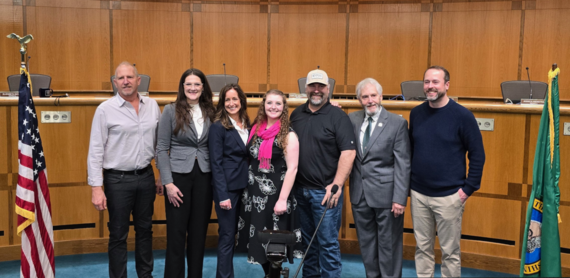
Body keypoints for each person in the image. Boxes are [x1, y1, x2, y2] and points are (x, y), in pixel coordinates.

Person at [87, 61, 162, 278]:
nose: (126, 81)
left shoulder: (153, 106)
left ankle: (145, 275)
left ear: (139, 80)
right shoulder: (105, 110)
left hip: (146, 177)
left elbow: (158, 146)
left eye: (130, 77)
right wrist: (96, 187)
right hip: (117, 181)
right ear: (115, 82)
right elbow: (95, 151)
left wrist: (160, 176)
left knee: (145, 232)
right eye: (121, 78)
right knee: (118, 235)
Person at [409, 66, 485, 277]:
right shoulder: (416, 113)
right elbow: (411, 150)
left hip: (450, 196)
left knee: (450, 252)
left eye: (435, 82)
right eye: (426, 82)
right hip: (419, 195)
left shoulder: (462, 116)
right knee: (422, 248)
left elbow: (477, 155)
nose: (430, 86)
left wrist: (467, 189)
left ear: (447, 85)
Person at [290, 69, 356, 278]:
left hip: (325, 192)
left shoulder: (338, 116)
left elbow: (349, 152)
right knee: (308, 244)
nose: (316, 90)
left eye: (321, 86)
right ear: (306, 88)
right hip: (300, 192)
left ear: (328, 89)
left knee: (327, 244)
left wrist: (336, 185)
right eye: (312, 86)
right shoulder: (296, 114)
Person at [348, 78, 411, 278]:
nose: (370, 100)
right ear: (359, 99)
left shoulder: (397, 123)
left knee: (389, 246)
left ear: (381, 97)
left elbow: (403, 163)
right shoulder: (352, 119)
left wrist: (400, 198)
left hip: (387, 196)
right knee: (366, 244)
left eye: (373, 95)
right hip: (359, 194)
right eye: (365, 97)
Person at [236, 89, 302, 277]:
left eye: (278, 103)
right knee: (259, 243)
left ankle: (274, 275)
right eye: (269, 103)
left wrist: (282, 200)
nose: (273, 107)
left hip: (276, 196)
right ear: (263, 105)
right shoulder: (257, 129)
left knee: (275, 246)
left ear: (284, 107)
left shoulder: (288, 135)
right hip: (254, 195)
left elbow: (293, 169)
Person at [156, 68, 215, 278]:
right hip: (177, 178)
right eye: (188, 84)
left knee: (199, 234)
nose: (192, 88)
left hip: (204, 176)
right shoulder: (170, 110)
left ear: (203, 87)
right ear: (183, 87)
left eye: (197, 84)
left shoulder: (211, 111)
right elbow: (161, 148)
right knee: (176, 234)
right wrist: (168, 183)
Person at [209, 84, 251, 278]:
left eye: (235, 99)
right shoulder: (218, 126)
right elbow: (215, 164)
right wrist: (222, 195)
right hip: (228, 189)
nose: (232, 103)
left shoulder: (247, 123)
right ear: (222, 103)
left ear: (242, 100)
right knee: (227, 236)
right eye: (227, 100)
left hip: (248, 186)